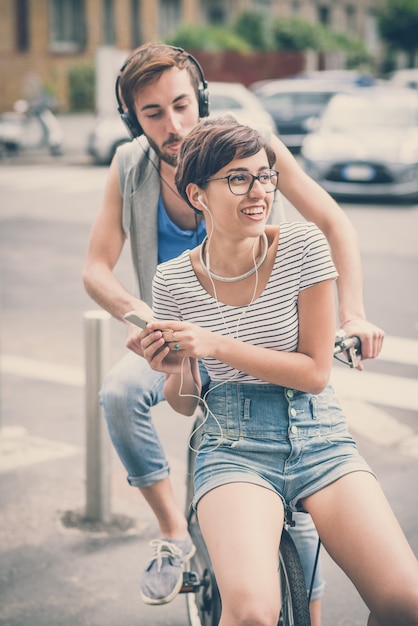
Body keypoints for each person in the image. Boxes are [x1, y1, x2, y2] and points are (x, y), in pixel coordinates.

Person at [82, 43, 384, 620]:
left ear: (200, 96)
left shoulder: (247, 150)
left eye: (181, 104)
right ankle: (174, 531)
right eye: (152, 113)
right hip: (174, 331)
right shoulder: (128, 168)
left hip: (272, 333)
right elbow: (96, 268)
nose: (173, 125)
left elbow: (330, 220)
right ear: (132, 120)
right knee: (121, 392)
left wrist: (354, 313)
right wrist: (147, 322)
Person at [140, 116, 418, 626]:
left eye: (264, 175)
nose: (258, 191)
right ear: (198, 194)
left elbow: (315, 373)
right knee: (250, 613)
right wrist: (175, 366)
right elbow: (184, 403)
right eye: (238, 178)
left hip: (320, 435)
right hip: (231, 444)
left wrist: (215, 344)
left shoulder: (303, 247)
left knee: (406, 602)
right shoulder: (172, 280)